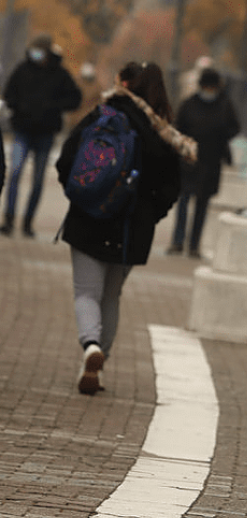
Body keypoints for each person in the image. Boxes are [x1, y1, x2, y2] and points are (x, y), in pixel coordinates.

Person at [55, 63, 182, 395]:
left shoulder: (102, 115)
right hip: (132, 230)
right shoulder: (162, 131)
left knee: (86, 293)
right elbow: (172, 187)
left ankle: (90, 346)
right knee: (111, 296)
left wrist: (80, 193)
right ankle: (99, 363)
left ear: (124, 84)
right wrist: (150, 214)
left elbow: (66, 159)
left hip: (88, 219)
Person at [1, 34, 81, 237]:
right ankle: (9, 219)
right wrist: (19, 106)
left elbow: (75, 98)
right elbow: (9, 93)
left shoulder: (60, 74)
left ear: (47, 52)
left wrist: (53, 107)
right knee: (15, 173)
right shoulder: (22, 70)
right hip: (22, 130)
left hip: (45, 134)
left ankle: (28, 222)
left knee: (37, 180)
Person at [167, 67, 240, 258]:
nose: (209, 91)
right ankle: (177, 241)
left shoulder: (225, 105)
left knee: (202, 206)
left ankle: (194, 245)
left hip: (211, 162)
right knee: (183, 202)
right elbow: (178, 129)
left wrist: (220, 136)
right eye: (206, 87)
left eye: (212, 87)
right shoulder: (189, 104)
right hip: (189, 162)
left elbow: (234, 128)